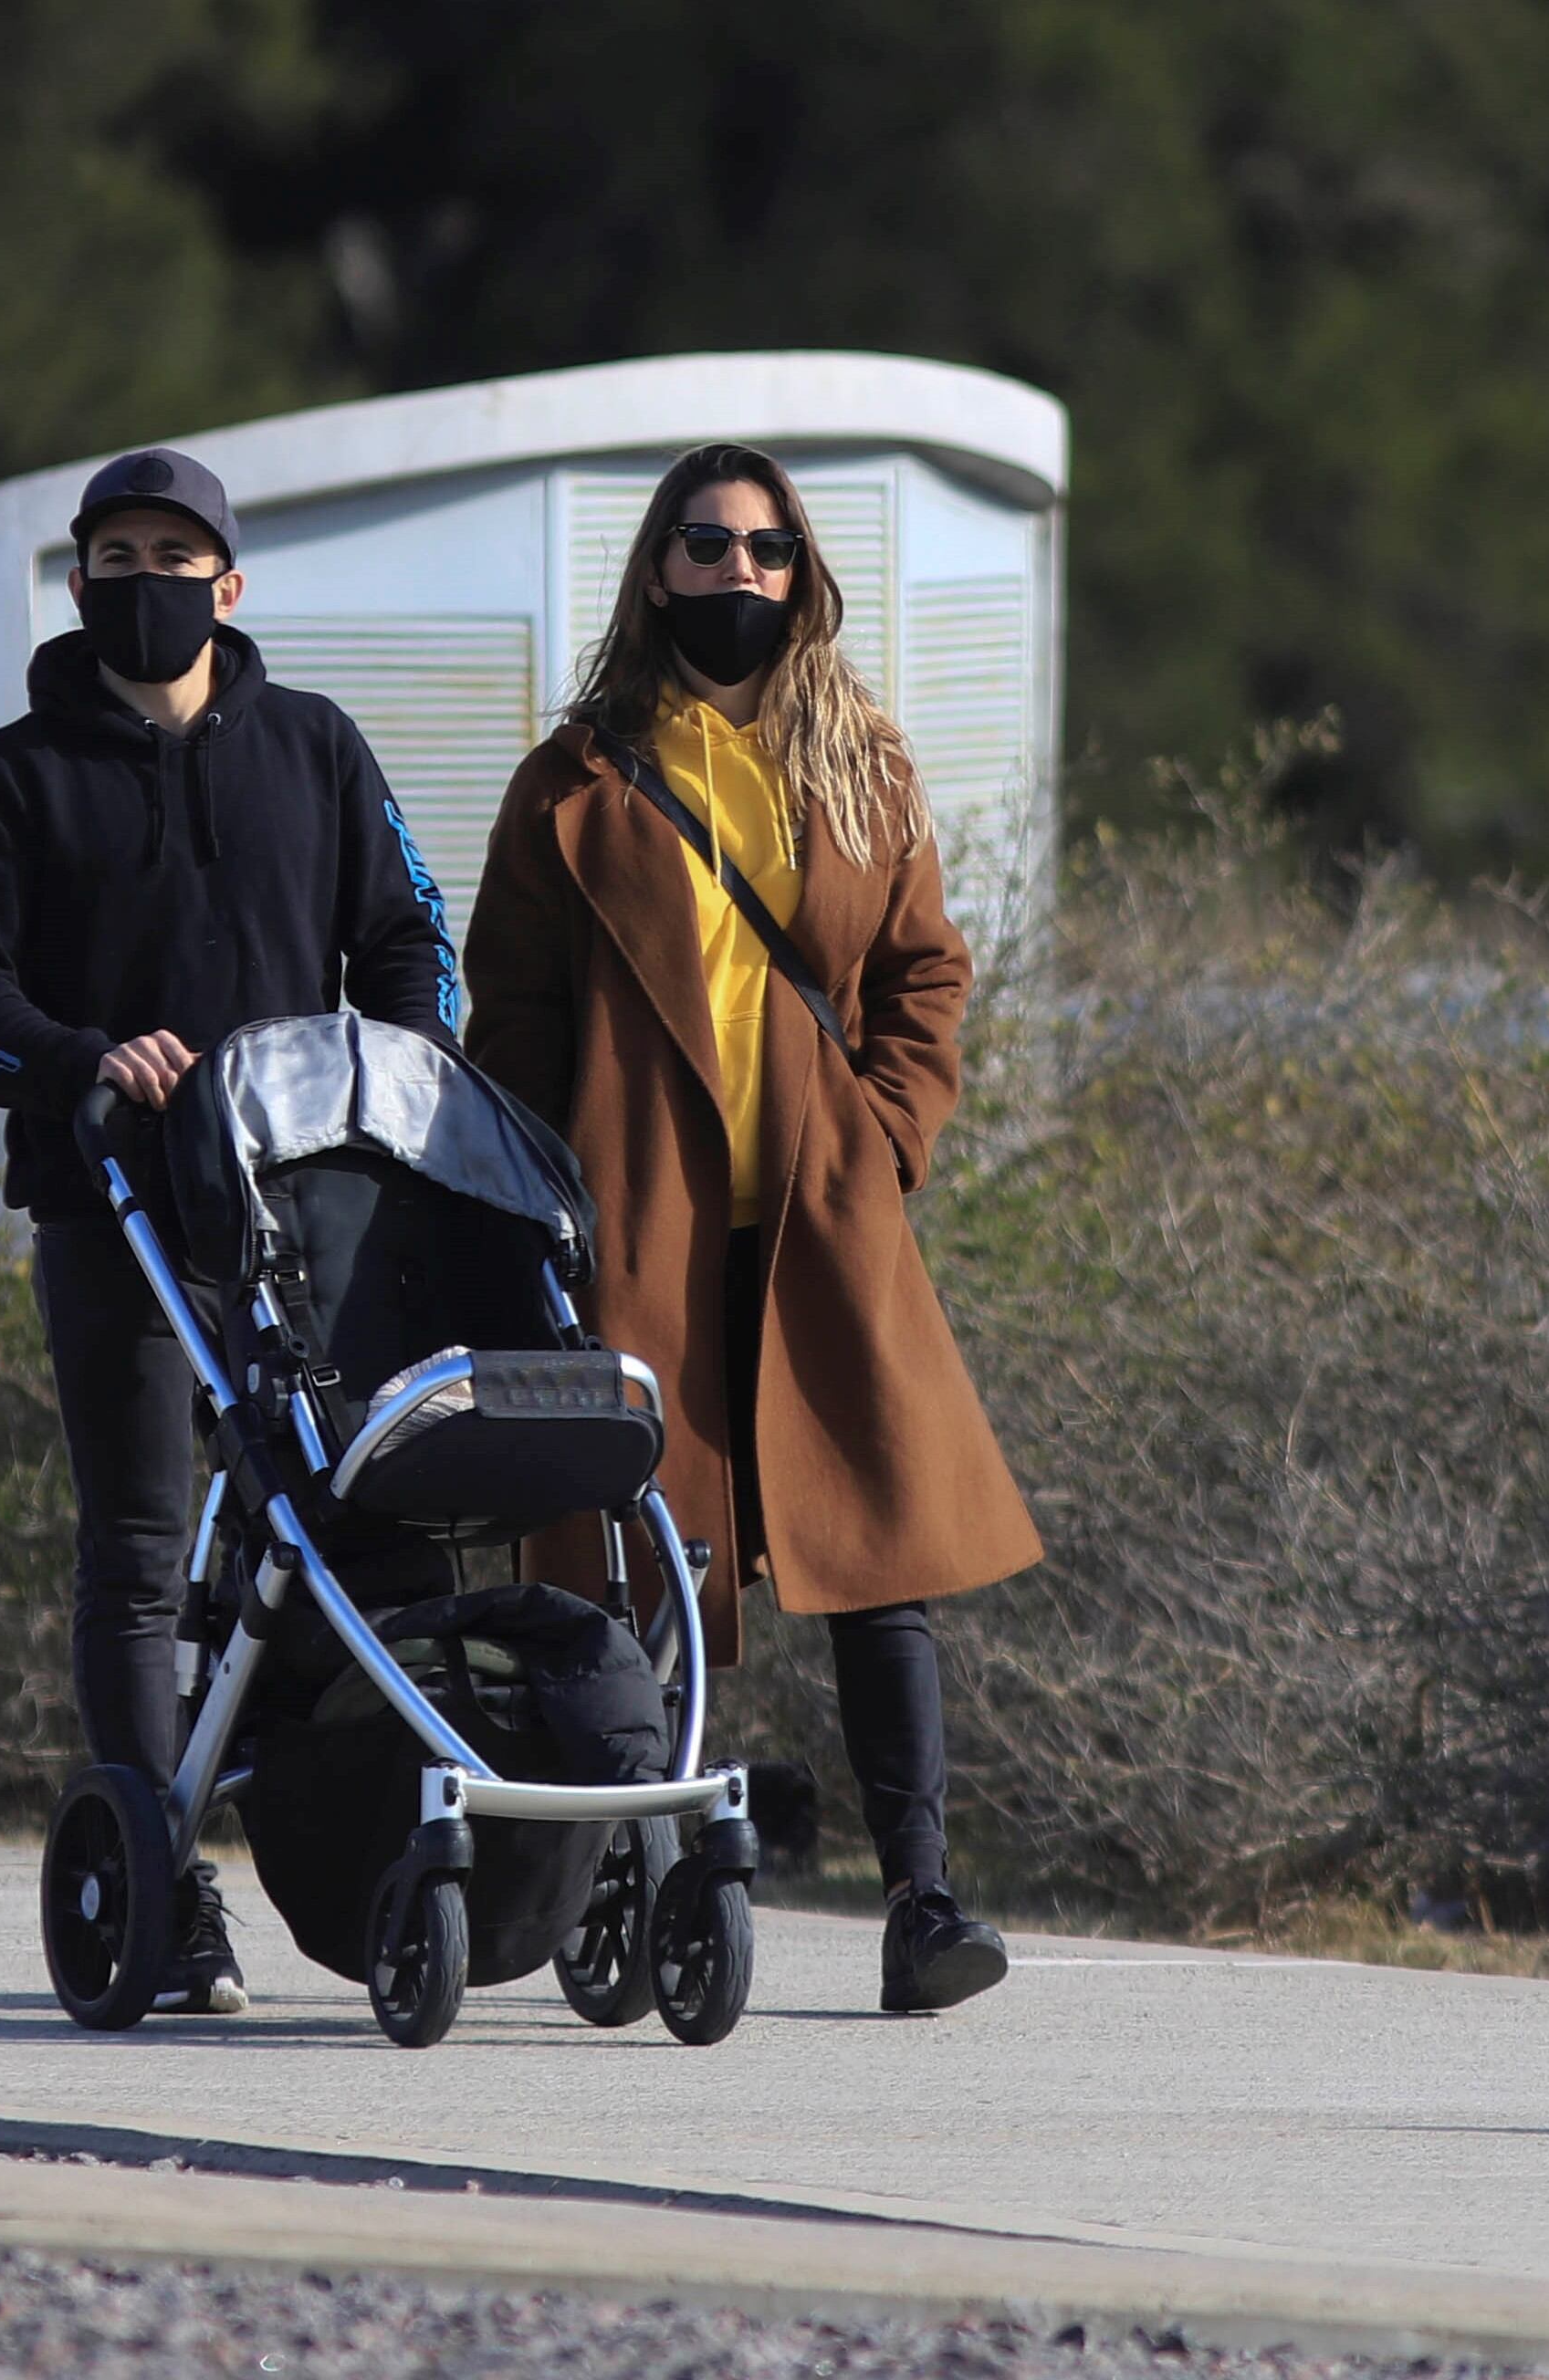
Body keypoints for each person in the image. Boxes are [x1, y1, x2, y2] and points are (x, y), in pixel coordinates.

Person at [464, 443, 1042, 2015]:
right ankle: (665, 1872)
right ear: (656, 570)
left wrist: (889, 1131)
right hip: (637, 1225)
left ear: (802, 573)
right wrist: (549, 1181)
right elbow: (501, 1007)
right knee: (653, 1570)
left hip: (820, 1214)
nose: (737, 576)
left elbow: (925, 976)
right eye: (706, 547)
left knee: (878, 1562)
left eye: (766, 551)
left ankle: (922, 1899)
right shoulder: (574, 775)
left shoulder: (862, 759)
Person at [0, 447, 464, 2014]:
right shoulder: (5, 777)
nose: (141, 579)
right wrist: (85, 1055)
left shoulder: (316, 747)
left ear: (230, 582)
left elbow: (412, 934)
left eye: (173, 551)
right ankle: (167, 1880)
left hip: (313, 1222)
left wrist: (394, 1078)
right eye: (113, 554)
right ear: (79, 583)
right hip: (117, 1219)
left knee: (349, 1535)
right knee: (142, 1553)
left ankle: (382, 1852)